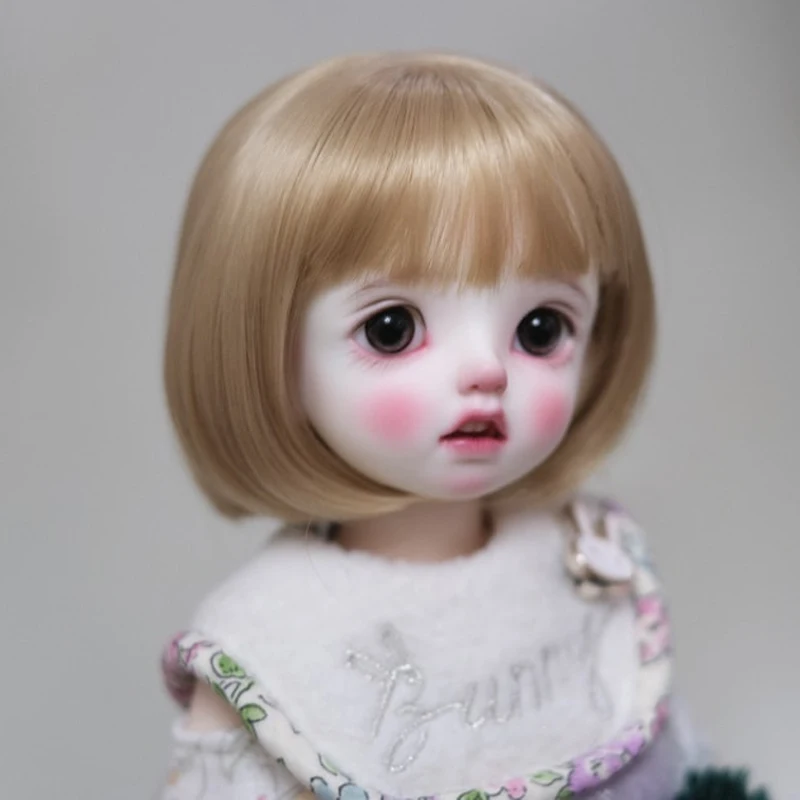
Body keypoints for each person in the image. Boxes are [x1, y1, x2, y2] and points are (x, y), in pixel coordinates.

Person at [159, 51, 768, 800]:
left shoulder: (581, 556)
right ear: (266, 353)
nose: (487, 371)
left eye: (541, 328)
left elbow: (684, 770)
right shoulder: (271, 639)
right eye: (391, 329)